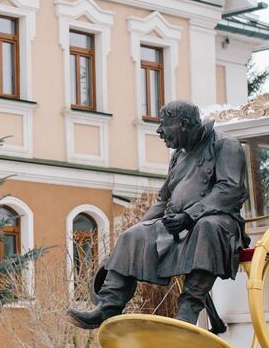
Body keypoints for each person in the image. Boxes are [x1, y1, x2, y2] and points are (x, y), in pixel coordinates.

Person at [67, 100, 246, 334]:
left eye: (165, 125)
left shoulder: (225, 145)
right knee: (133, 235)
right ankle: (108, 307)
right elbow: (163, 200)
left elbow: (230, 190)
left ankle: (188, 311)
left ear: (183, 124)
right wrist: (139, 231)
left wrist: (190, 216)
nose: (159, 131)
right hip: (177, 223)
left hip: (219, 223)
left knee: (207, 227)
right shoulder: (178, 156)